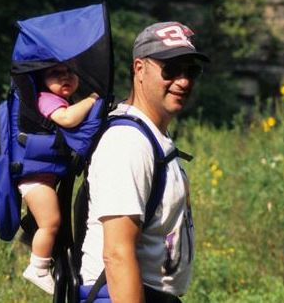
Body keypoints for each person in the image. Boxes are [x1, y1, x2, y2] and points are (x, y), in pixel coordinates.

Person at [80, 22, 209, 302]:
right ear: (139, 69)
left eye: (191, 71)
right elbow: (117, 253)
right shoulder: (127, 143)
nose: (184, 81)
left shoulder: (152, 137)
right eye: (171, 69)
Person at [20, 63, 99, 294]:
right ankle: (38, 267)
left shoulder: (57, 98)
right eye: (55, 73)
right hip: (34, 179)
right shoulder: (46, 99)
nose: (65, 77)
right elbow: (67, 119)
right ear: (42, 80)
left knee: (51, 221)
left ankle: (36, 246)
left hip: (42, 176)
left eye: (70, 72)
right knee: (51, 222)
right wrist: (92, 99)